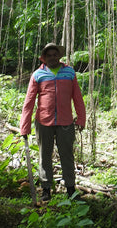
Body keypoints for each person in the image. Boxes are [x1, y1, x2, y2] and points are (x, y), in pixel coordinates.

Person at [20, 43, 86, 201]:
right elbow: (29, 101)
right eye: (48, 55)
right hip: (43, 121)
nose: (52, 58)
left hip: (65, 122)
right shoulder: (38, 74)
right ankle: (46, 189)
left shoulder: (69, 72)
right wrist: (25, 126)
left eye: (54, 55)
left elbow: (77, 98)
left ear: (59, 56)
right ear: (44, 57)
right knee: (44, 155)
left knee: (67, 155)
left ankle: (71, 189)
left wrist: (81, 119)